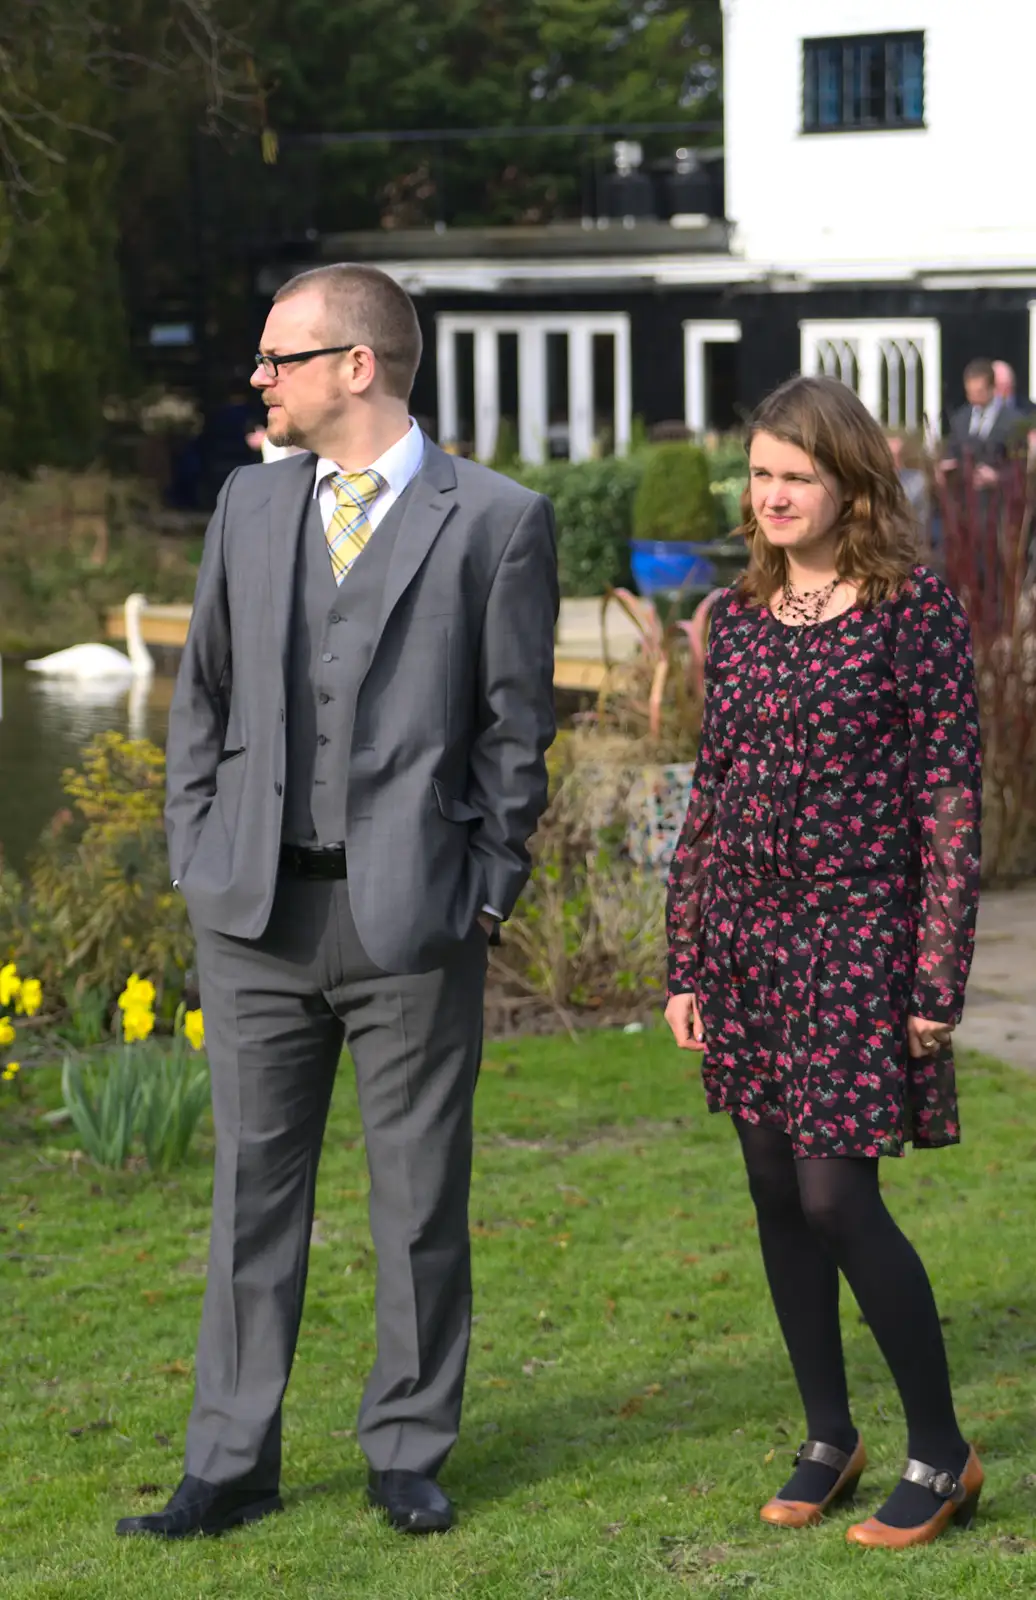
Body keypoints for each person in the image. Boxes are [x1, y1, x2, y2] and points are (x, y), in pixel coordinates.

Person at [117, 263, 558, 1541]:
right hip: (252, 914)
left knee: (418, 1193)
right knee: (252, 1192)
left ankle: (408, 1447)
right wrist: (198, 854)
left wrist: (484, 893)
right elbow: (197, 697)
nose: (258, 379)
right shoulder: (248, 507)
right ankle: (230, 1458)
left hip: (413, 919)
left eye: (277, 358)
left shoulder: (496, 521)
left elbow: (512, 734)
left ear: (355, 366)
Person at [664, 375, 983, 1551]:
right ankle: (825, 1435)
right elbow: (714, 792)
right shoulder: (735, 619)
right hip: (746, 942)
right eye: (758, 474)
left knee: (833, 1194)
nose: (772, 496)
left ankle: (940, 1453)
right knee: (767, 1190)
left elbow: (951, 800)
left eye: (795, 474)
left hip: (857, 941)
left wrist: (934, 975)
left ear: (851, 484)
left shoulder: (914, 611)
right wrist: (684, 958)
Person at [940, 357, 1020, 487]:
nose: (973, 398)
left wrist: (998, 477)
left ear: (992, 388)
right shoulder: (960, 419)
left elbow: (1021, 467)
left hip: (1000, 501)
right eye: (969, 393)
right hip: (964, 500)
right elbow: (952, 452)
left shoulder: (1013, 421)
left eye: (979, 392)